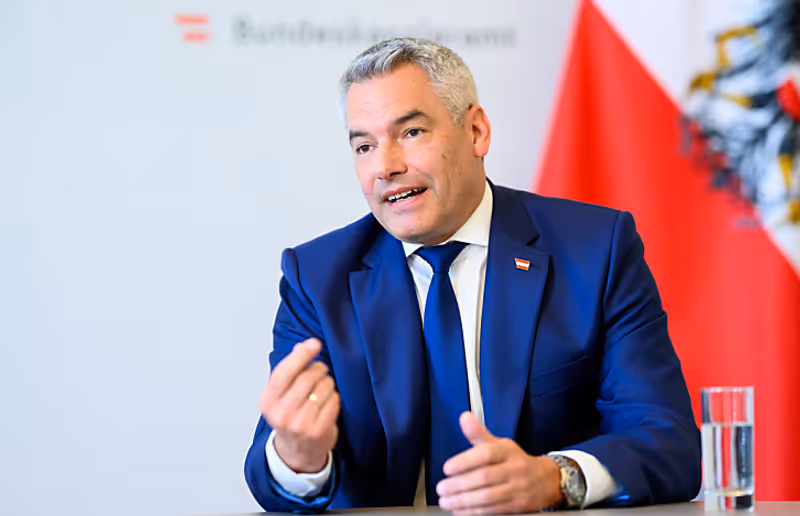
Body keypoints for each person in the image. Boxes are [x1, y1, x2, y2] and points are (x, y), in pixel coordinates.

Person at [244, 38, 701, 514]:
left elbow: (667, 442)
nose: (386, 167)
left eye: (412, 132)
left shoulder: (594, 250)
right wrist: (298, 456)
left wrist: (554, 478)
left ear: (477, 132)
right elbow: (269, 477)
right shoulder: (318, 278)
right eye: (365, 146)